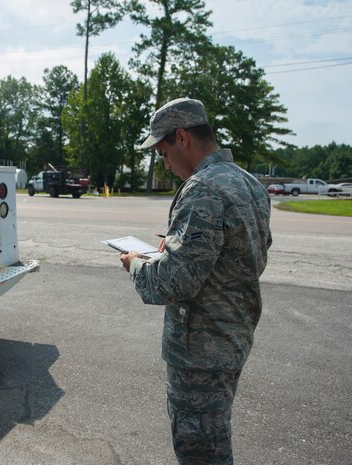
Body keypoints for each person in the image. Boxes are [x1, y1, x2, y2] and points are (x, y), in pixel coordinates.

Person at [119, 97, 272, 465]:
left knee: (201, 450)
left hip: (200, 349)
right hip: (231, 335)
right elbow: (250, 253)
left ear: (182, 138)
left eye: (162, 151)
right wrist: (177, 245)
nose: (164, 162)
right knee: (213, 435)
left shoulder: (202, 188)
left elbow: (172, 284)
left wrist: (136, 264)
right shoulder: (247, 182)